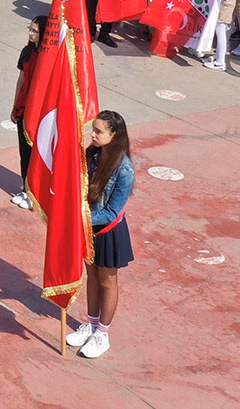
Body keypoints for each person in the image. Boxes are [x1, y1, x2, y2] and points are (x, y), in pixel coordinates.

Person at [66, 110, 135, 360]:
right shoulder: (92, 155)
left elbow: (111, 211)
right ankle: (90, 323)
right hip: (87, 227)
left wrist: (76, 217)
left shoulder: (124, 169)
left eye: (98, 131)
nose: (92, 135)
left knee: (107, 280)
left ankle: (102, 333)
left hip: (107, 231)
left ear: (113, 135)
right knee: (92, 277)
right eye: (93, 129)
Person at [9, 15, 47, 210]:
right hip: (24, 109)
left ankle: (36, 192)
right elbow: (21, 80)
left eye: (34, 30)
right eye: (29, 29)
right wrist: (15, 104)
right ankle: (26, 187)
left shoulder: (48, 58)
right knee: (25, 151)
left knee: (36, 153)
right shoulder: (26, 52)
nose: (30, 33)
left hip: (40, 113)